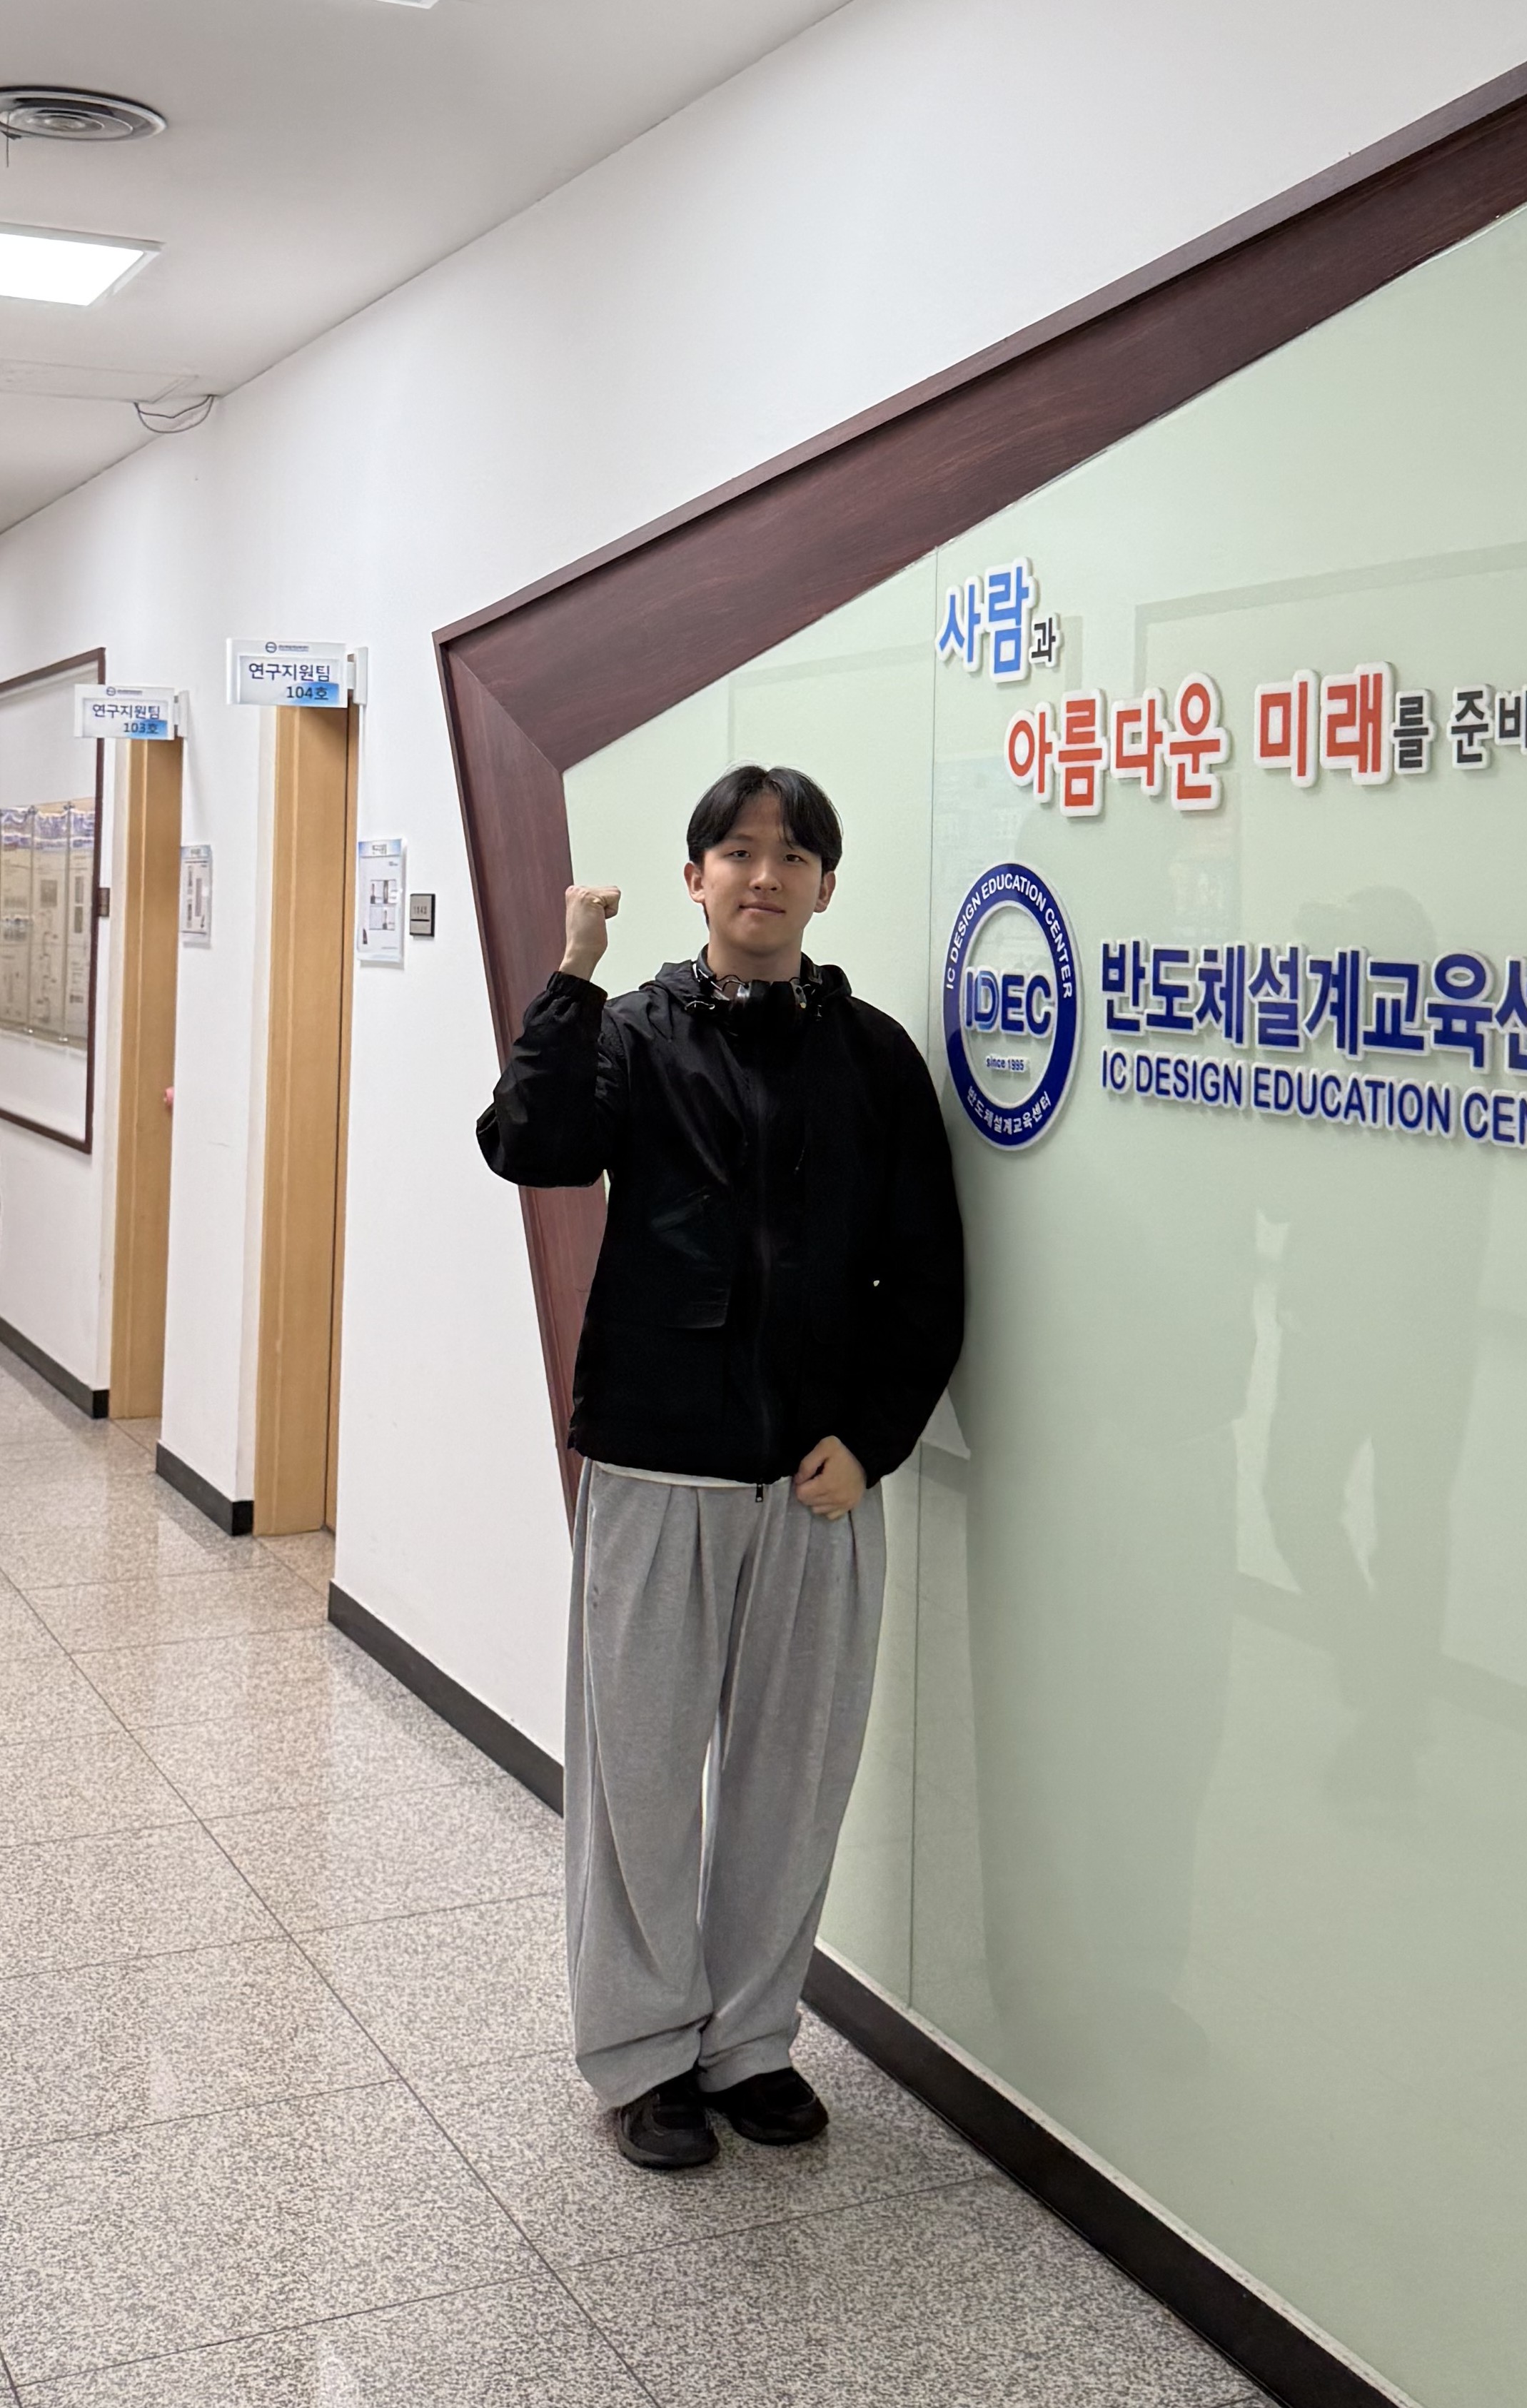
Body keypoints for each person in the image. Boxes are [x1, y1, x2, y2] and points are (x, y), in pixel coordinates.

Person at [477, 763, 963, 2171]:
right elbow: (530, 1146)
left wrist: (873, 1438)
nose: (765, 874)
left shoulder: (873, 1058)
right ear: (695, 880)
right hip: (657, 1464)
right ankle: (642, 2053)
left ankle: (751, 2041)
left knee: (789, 1779)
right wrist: (572, 974)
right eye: (737, 851)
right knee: (637, 1778)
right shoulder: (631, 1034)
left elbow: (927, 1273)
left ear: (826, 886)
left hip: (817, 1479)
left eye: (793, 853)